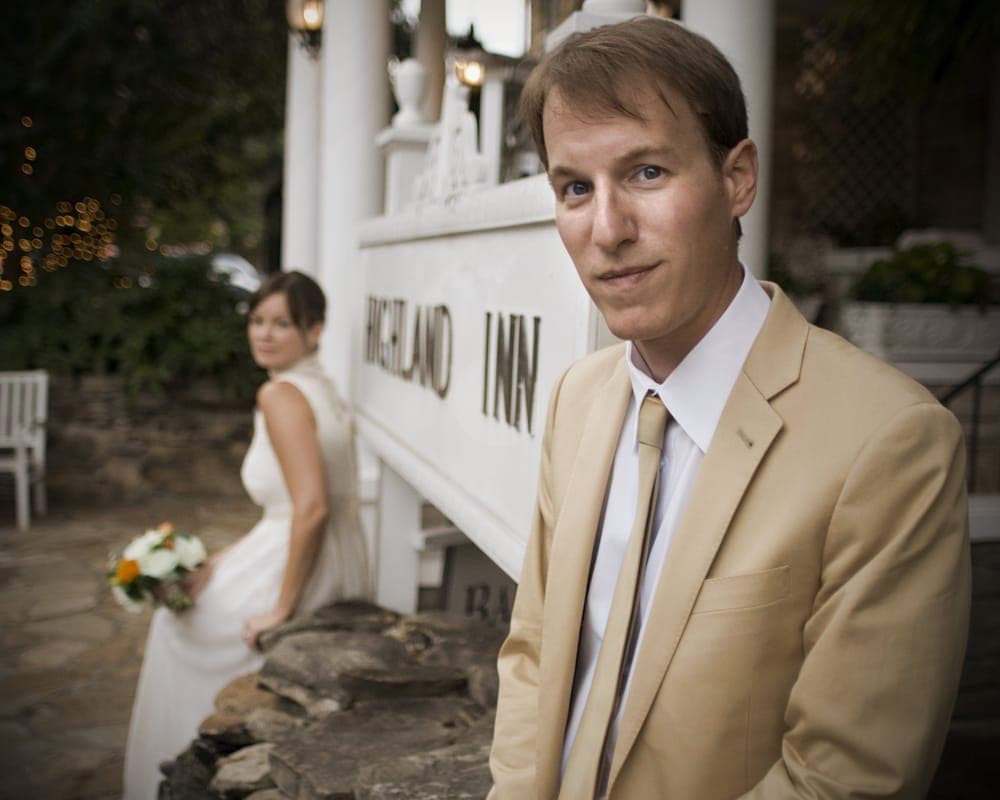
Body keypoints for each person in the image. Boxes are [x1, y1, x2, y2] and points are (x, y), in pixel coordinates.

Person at [489, 15, 970, 800]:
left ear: (737, 178)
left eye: (646, 173)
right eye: (576, 187)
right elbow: (535, 657)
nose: (606, 230)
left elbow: (843, 778)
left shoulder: (892, 441)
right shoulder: (579, 399)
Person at [123, 270, 371, 799]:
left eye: (282, 323)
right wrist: (217, 561)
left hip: (301, 563)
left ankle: (177, 776)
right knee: (194, 598)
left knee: (175, 628)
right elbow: (286, 513)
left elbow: (311, 509)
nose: (264, 334)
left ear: (316, 329)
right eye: (257, 321)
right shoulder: (320, 386)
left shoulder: (281, 394)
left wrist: (282, 608)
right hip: (329, 553)